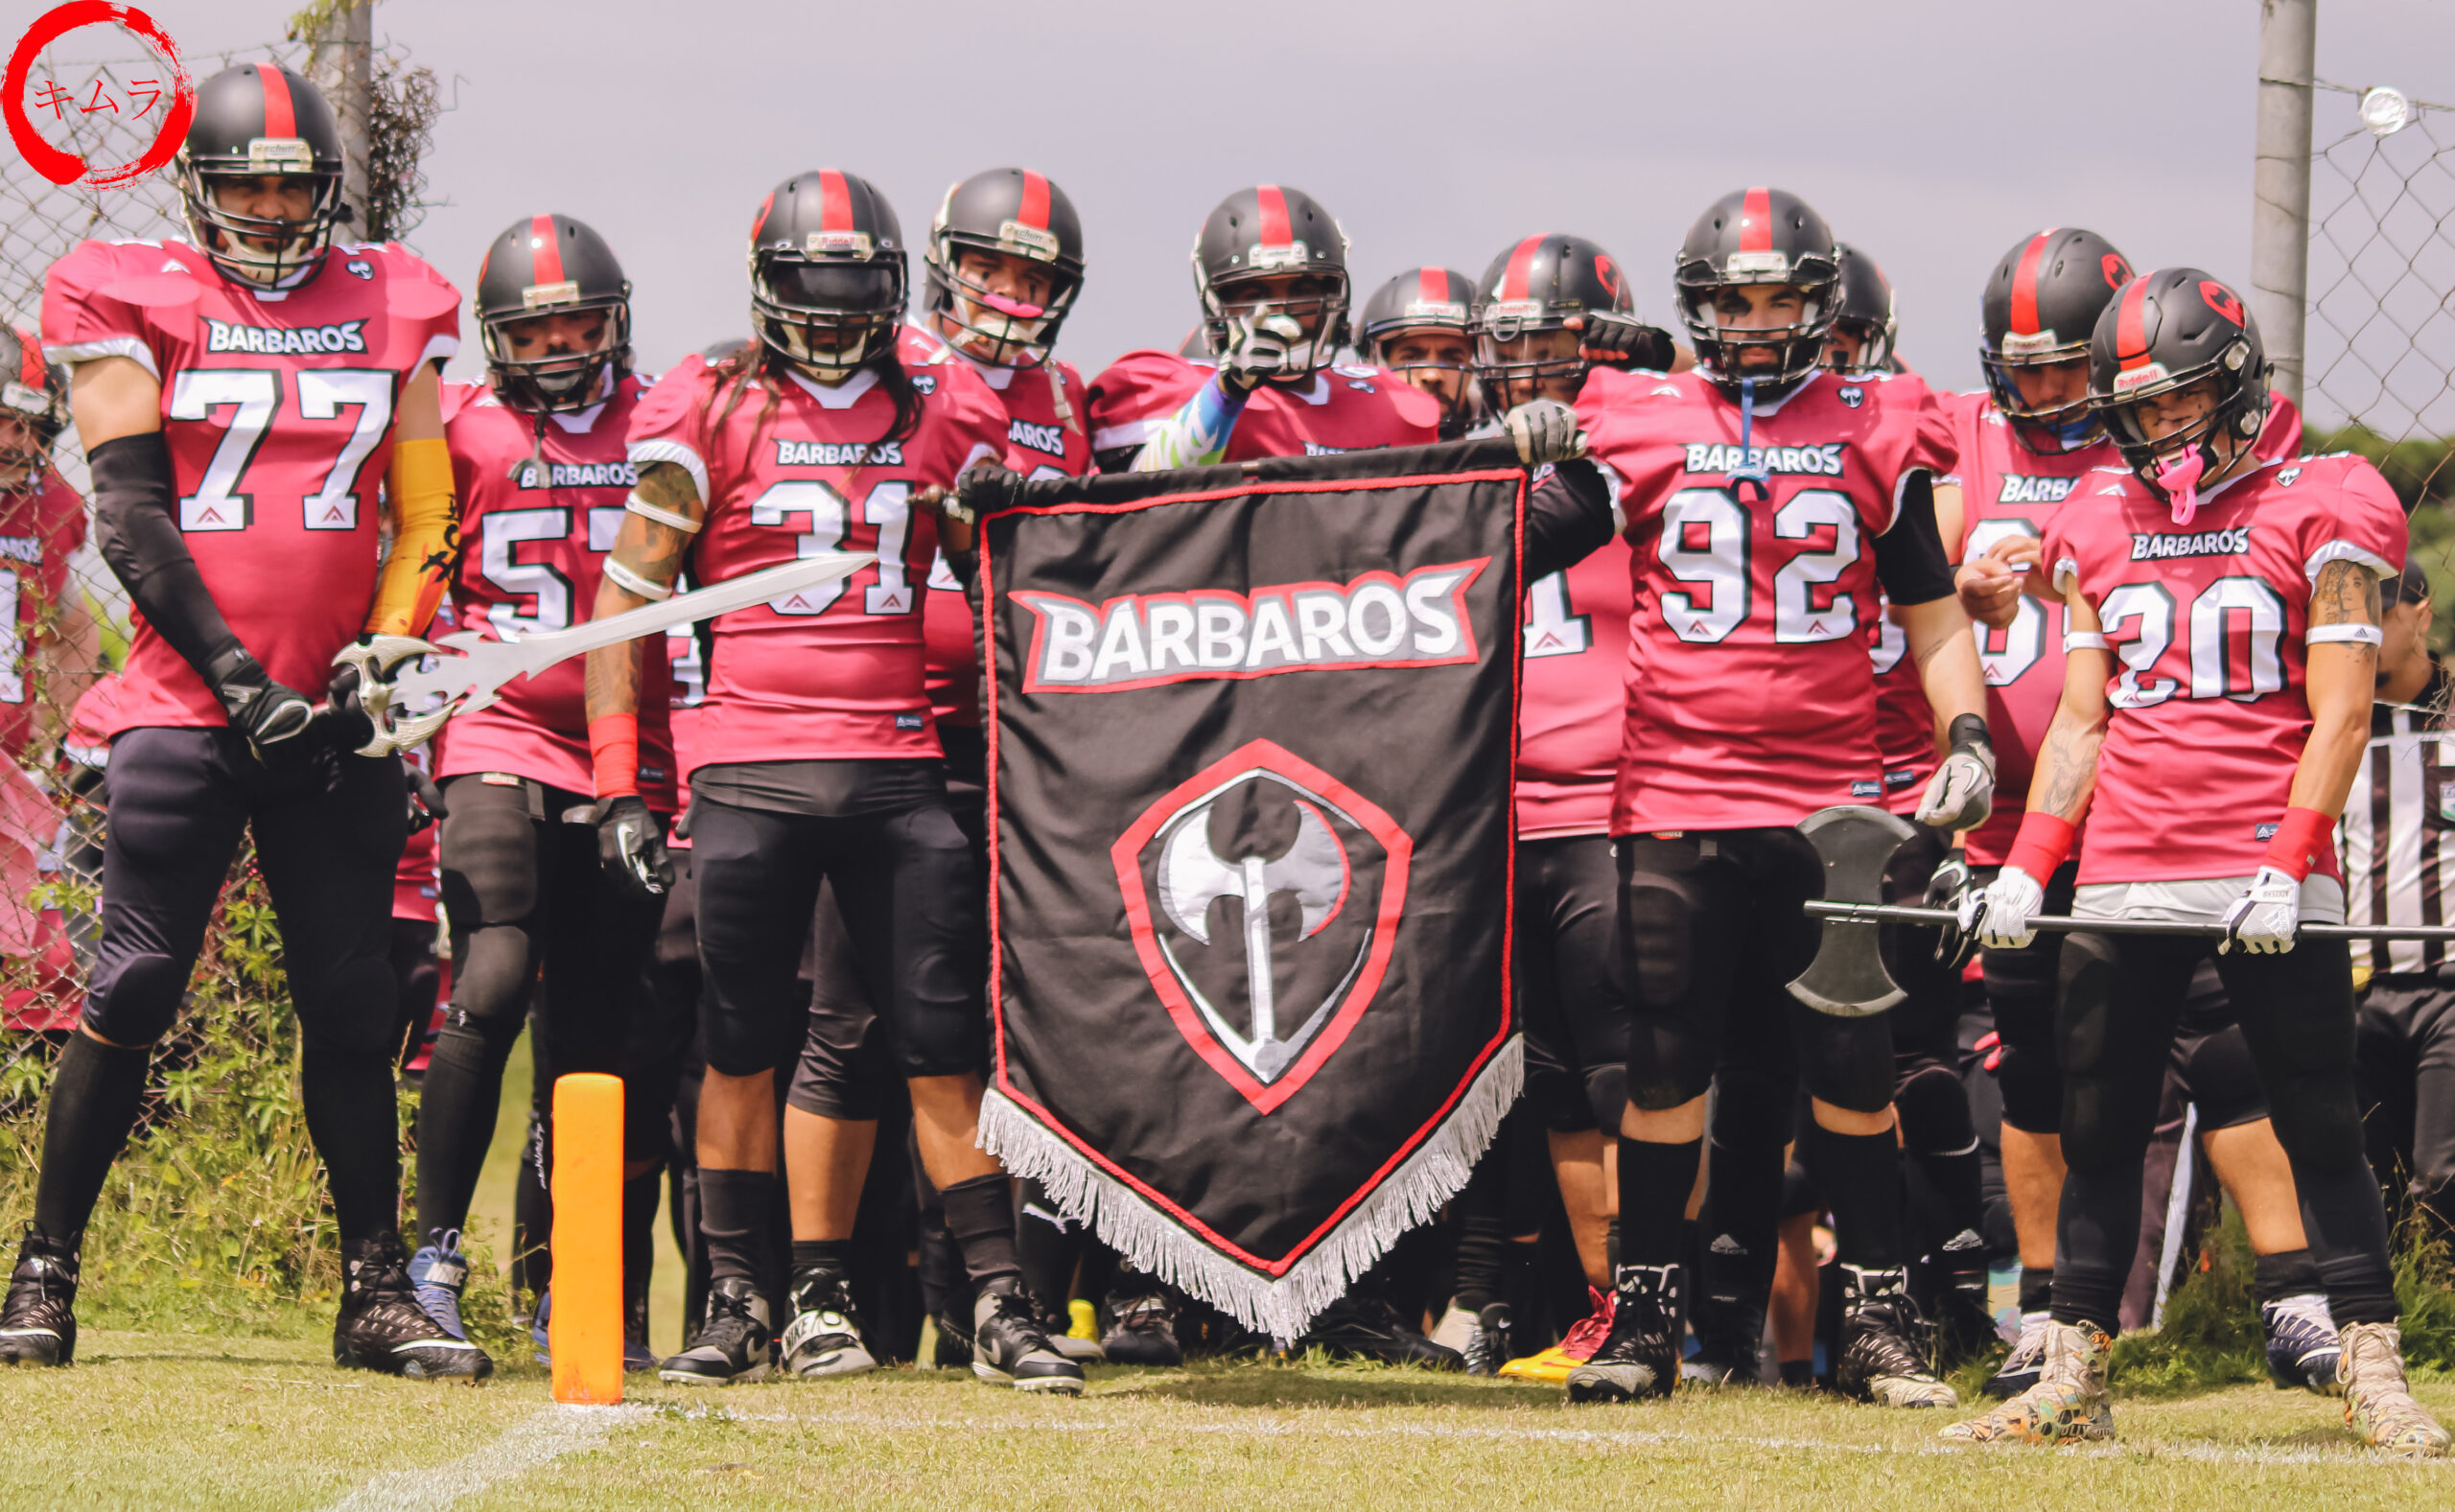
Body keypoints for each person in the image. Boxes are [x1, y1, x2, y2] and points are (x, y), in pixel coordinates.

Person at [1, 63, 473, 1376]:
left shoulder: (396, 299)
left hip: (335, 717)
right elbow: (136, 515)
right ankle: (45, 1270)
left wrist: (383, 653)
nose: (270, 210)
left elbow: (425, 515)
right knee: (138, 975)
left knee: (351, 996)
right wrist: (240, 681)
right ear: (198, 194)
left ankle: (374, 1288)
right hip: (185, 700)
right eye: (247, 185)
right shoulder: (125, 287)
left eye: (291, 184)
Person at [584, 168, 1082, 1393]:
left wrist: (987, 525)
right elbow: (626, 603)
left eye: (855, 290)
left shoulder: (943, 404)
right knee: (739, 1044)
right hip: (748, 766)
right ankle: (751, 1296)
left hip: (896, 764)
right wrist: (620, 785)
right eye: (809, 290)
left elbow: (996, 571)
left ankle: (998, 1300)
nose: (830, 315)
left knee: (941, 1044)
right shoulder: (705, 397)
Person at [1948, 268, 2445, 1455]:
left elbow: (2338, 712)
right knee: (2101, 1128)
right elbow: (2080, 720)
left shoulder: (2327, 498)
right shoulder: (2100, 515)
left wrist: (2286, 857)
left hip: (2265, 861)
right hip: (2126, 864)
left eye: (2177, 404)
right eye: (2141, 411)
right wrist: (2027, 863)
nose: (2157, 429)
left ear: (2234, 380)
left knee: (2318, 1120)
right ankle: (2072, 1370)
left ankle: (2373, 1361)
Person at [1557, 187, 1992, 1410]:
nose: (1754, 323)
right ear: (1697, 308)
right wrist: (1503, 455)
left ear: (1821, 304)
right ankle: (1641, 1321)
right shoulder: (1634, 416)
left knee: (1852, 1067)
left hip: (1831, 808)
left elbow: (1931, 607)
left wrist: (1965, 732)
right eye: (1734, 301)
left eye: (1780, 299)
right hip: (1676, 798)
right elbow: (1518, 541)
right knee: (1661, 1067)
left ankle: (1875, 1324)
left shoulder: (1876, 420)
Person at [782, 166, 1100, 1370]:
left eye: (1034, 276)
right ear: (944, 264)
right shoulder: (898, 368)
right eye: (992, 267)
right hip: (879, 728)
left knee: (977, 1029)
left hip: (1013, 747)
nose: (1011, 293)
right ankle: (819, 1292)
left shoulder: (1074, 395)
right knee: (854, 1020)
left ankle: (980, 1295)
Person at [401, 213, 673, 1378]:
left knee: (604, 1026)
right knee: (498, 969)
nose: (561, 343)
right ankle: (431, 1261)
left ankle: (579, 1281)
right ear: (495, 336)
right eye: (537, 324)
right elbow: (409, 548)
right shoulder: (459, 424)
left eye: (579, 319)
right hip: (500, 722)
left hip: (631, 742)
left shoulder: (663, 419)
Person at [1085, 184, 1440, 474]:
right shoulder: (1164, 382)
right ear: (1216, 302)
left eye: (1302, 291)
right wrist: (1226, 393)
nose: (1280, 314)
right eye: (1255, 294)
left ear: (1335, 295)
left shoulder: (1387, 399)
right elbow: (1144, 490)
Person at [2343, 565, 2455, 1246]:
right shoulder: (2327, 718)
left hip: (2449, 982)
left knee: (2441, 1180)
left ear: (2421, 613)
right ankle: (2385, 1323)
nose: (2363, 639)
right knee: (2363, 1179)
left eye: (2379, 618)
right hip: (2353, 987)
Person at [1355, 267, 1482, 438]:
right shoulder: (1344, 463)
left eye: (1452, 358)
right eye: (1411, 358)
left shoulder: (1509, 464)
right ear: (1381, 366)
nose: (1432, 376)